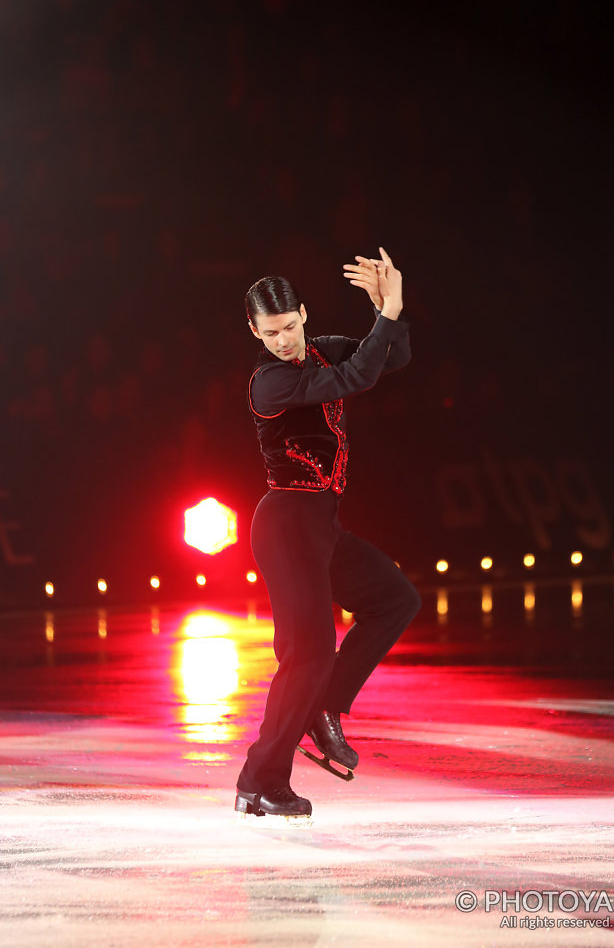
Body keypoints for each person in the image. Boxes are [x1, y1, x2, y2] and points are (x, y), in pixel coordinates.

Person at [235, 247, 421, 821]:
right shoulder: (269, 382)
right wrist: (384, 316)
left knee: (394, 599)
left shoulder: (320, 351)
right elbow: (356, 375)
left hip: (321, 526)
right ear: (255, 332)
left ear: (304, 315)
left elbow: (393, 358)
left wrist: (387, 310)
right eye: (270, 333)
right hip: (287, 523)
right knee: (307, 654)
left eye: (289, 327)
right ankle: (259, 780)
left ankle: (325, 710)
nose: (283, 341)